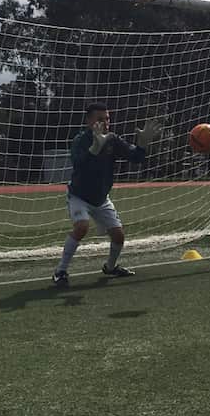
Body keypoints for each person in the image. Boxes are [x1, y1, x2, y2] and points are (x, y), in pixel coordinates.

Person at [52, 102, 160, 288]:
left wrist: (142, 144)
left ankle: (110, 267)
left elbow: (136, 158)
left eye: (107, 119)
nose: (105, 123)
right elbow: (78, 164)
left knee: (119, 236)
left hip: (101, 199)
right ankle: (60, 271)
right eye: (100, 119)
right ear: (89, 121)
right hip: (79, 196)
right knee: (82, 227)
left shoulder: (112, 140)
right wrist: (94, 149)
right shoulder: (80, 140)